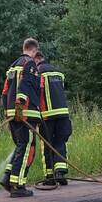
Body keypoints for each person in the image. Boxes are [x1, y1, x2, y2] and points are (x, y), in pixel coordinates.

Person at [0, 38, 42, 197]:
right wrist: (20, 105)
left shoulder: (12, 66)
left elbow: (5, 92)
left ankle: (7, 178)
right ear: (34, 50)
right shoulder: (29, 64)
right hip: (25, 113)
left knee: (19, 147)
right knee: (26, 148)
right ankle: (17, 186)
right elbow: (25, 85)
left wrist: (7, 112)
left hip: (13, 113)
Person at [34, 51, 73, 186]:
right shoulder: (58, 73)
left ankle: (50, 176)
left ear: (38, 59)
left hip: (47, 115)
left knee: (47, 144)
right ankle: (60, 172)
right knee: (60, 142)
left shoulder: (38, 73)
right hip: (63, 114)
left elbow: (37, 93)